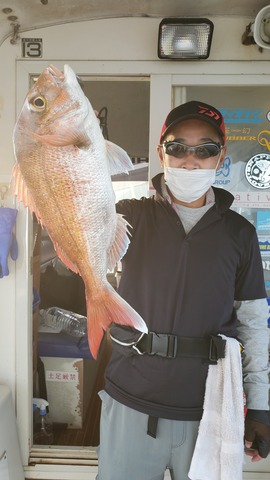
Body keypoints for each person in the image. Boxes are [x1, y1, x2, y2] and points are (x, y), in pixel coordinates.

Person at [96, 101, 270, 480]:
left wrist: (260, 407)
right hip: (130, 398)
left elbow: (254, 325)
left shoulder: (240, 234)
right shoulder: (128, 216)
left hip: (208, 407)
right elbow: (78, 225)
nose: (190, 160)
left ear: (220, 157)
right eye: (177, 147)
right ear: (162, 153)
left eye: (205, 149)